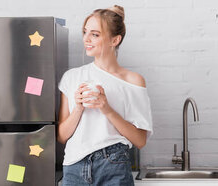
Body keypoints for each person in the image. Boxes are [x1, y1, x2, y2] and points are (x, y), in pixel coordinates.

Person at [57, 5, 153, 186]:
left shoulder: (133, 80)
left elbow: (140, 140)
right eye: (85, 32)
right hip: (74, 167)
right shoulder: (72, 77)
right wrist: (78, 108)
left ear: (114, 40)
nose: (86, 39)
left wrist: (106, 109)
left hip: (113, 165)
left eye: (95, 34)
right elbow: (61, 136)